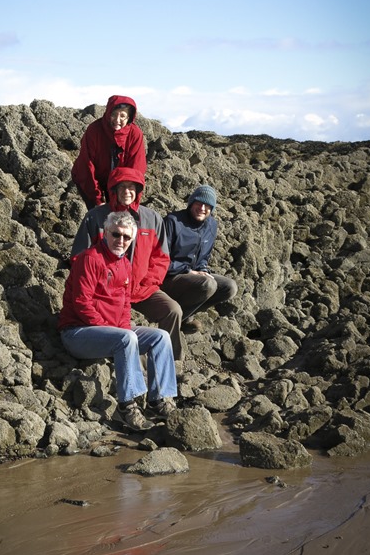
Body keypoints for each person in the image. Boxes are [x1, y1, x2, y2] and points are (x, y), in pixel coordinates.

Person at [59, 210, 177, 431]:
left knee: (161, 337)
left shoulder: (125, 264)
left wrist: (121, 331)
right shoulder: (90, 259)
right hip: (77, 332)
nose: (120, 240)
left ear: (132, 239)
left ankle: (158, 400)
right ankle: (127, 406)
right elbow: (82, 303)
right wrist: (117, 333)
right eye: (116, 234)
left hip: (112, 331)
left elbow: (125, 306)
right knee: (126, 338)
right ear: (105, 232)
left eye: (126, 237)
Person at [71, 166, 187, 362]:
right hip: (106, 292)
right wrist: (104, 284)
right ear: (113, 190)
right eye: (122, 187)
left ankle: (172, 362)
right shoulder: (95, 217)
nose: (127, 191)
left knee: (173, 310)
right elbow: (79, 256)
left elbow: (161, 258)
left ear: (138, 190)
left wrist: (146, 283)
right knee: (118, 328)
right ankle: (118, 357)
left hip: (142, 289)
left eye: (132, 187)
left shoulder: (152, 219)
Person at [161, 185, 238, 333]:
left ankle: (181, 318)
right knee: (208, 284)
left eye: (207, 205)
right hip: (170, 276)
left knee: (229, 287)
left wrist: (202, 270)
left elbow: (204, 257)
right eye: (199, 203)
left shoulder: (211, 225)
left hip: (193, 276)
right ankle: (169, 320)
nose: (202, 208)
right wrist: (188, 271)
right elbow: (160, 260)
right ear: (191, 203)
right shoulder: (173, 221)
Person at [71, 95, 147, 209]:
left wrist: (128, 199)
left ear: (129, 117)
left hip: (120, 182)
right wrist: (97, 200)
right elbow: (86, 166)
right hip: (92, 179)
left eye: (122, 116)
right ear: (108, 113)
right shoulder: (94, 130)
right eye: (114, 114)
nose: (117, 120)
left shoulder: (135, 134)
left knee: (121, 212)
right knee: (97, 214)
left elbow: (136, 169)